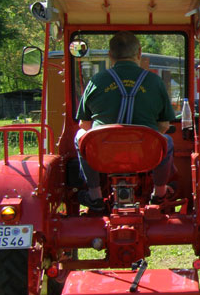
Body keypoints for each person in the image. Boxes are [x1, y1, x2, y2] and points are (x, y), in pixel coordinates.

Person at [75, 31, 176, 211]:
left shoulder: (96, 81)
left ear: (110, 55)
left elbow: (84, 124)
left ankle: (94, 194)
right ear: (139, 53)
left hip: (103, 155)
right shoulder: (154, 82)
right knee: (166, 142)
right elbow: (164, 125)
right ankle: (159, 192)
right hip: (145, 155)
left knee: (79, 136)